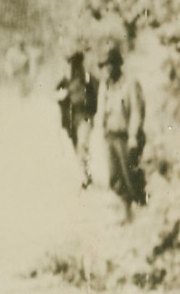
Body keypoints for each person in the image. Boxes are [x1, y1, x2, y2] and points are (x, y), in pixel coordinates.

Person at [100, 45, 147, 217]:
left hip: (126, 137)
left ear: (117, 65)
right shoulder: (106, 85)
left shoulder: (130, 83)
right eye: (104, 65)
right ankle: (126, 213)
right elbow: (102, 110)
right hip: (110, 136)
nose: (106, 69)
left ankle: (141, 211)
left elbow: (137, 111)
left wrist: (133, 136)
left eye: (109, 64)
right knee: (115, 176)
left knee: (130, 175)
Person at [56, 51, 99, 188]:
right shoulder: (67, 80)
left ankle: (85, 177)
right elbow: (57, 94)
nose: (75, 67)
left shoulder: (87, 79)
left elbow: (96, 94)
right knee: (77, 147)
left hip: (84, 116)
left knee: (82, 145)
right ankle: (85, 174)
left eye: (76, 64)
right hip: (72, 119)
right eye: (73, 64)